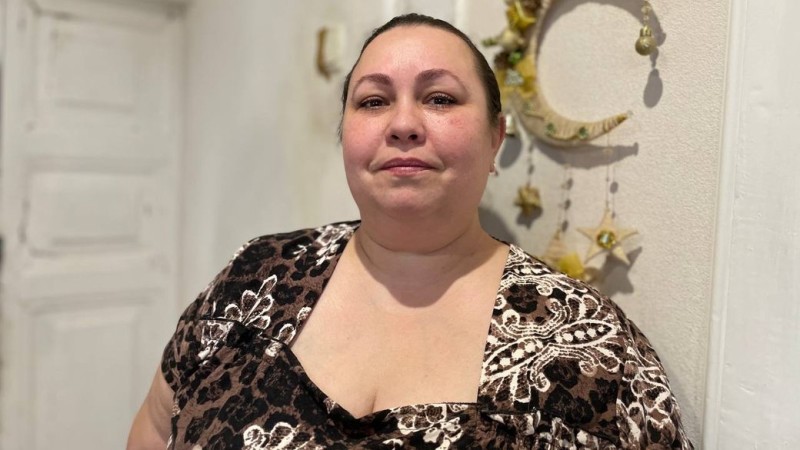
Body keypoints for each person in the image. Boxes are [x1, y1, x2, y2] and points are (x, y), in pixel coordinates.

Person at [127, 13, 693, 450]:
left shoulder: (590, 347)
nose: (402, 124)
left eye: (440, 98)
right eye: (373, 101)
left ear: (495, 138)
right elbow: (155, 425)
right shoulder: (257, 276)